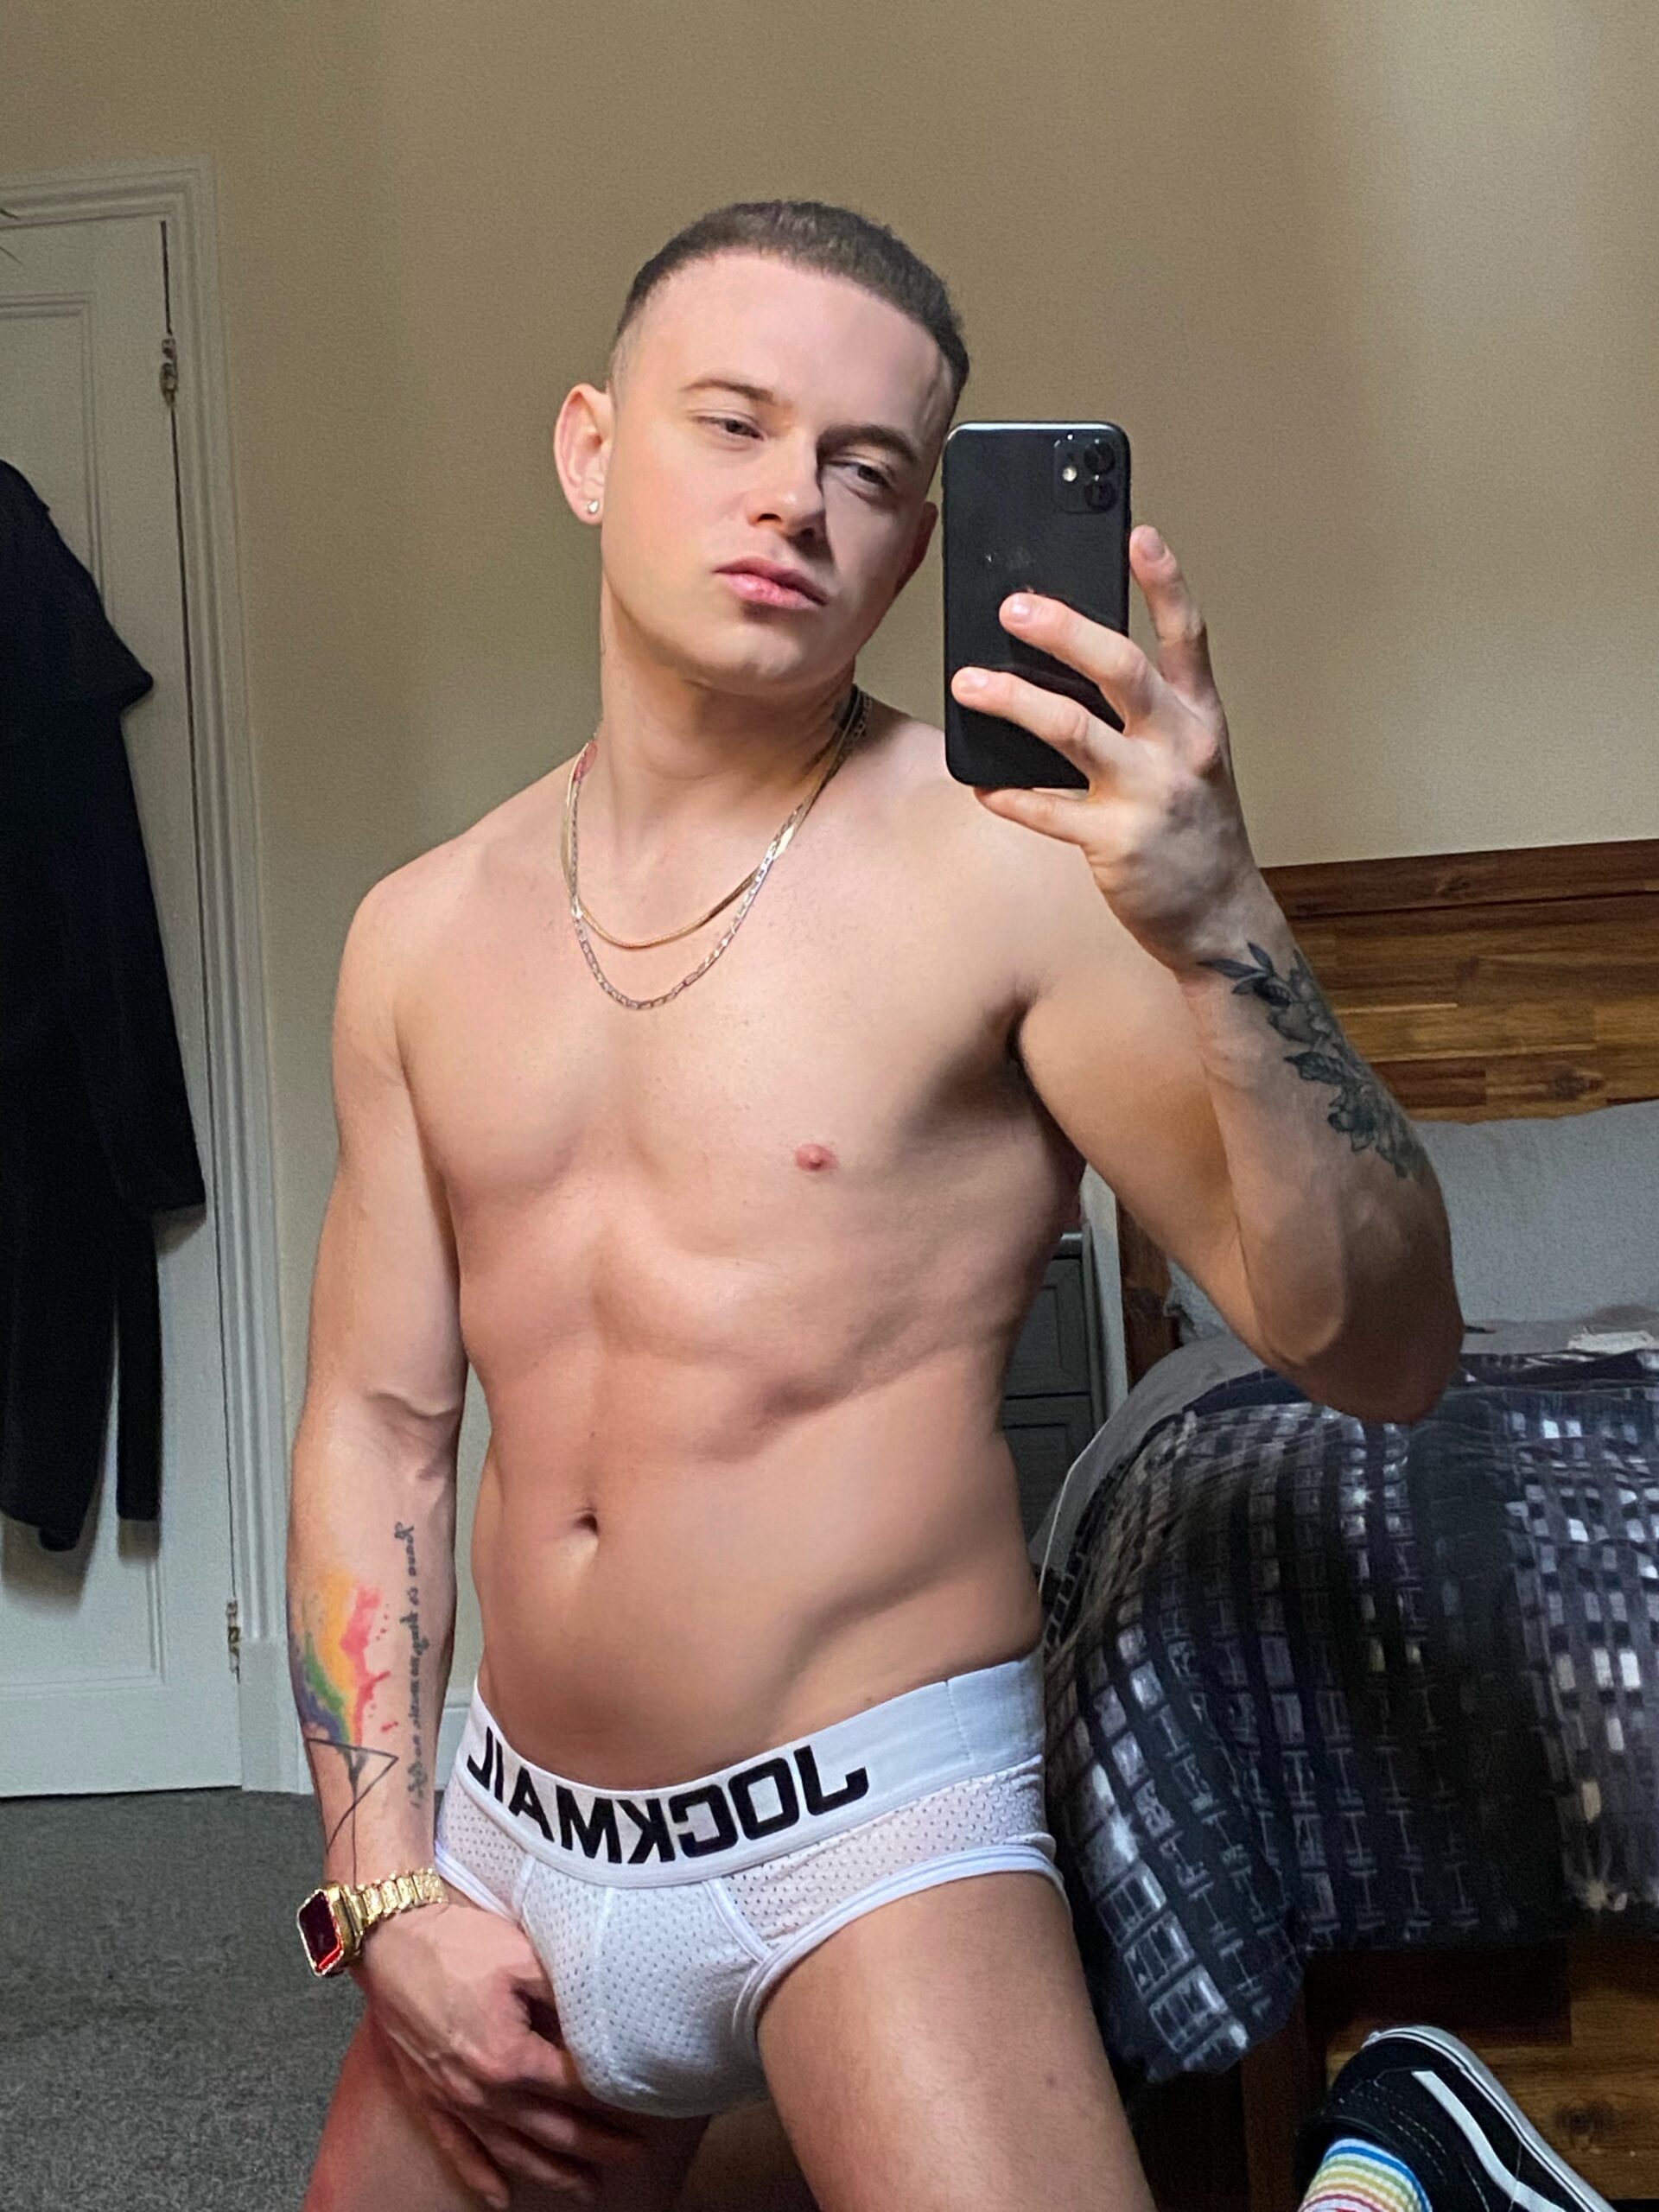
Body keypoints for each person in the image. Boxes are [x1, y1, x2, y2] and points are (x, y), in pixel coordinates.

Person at [290, 197, 1469, 2212]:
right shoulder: (416, 935)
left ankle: (1398, 2161)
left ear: (920, 542)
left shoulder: (1014, 874)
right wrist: (382, 1874)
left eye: (865, 466)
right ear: (590, 447)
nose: (795, 500)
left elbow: (1385, 1349)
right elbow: (378, 1423)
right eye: (733, 423)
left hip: (865, 1837)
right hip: (513, 1826)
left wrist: (1225, 923)